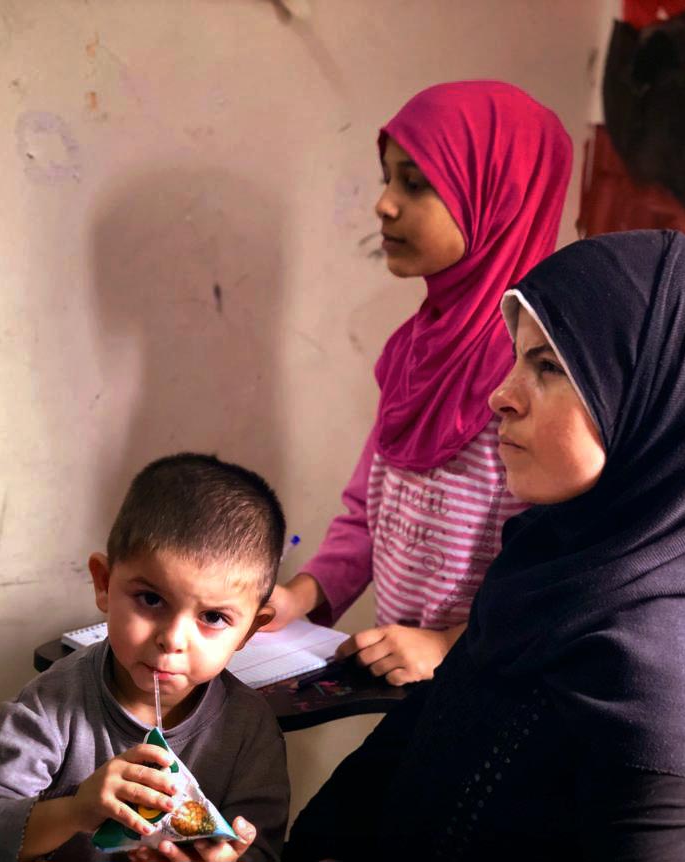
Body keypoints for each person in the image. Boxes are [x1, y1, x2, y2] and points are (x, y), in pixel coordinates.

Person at [283, 230, 685, 860]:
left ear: (656, 403)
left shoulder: (655, 675)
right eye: (517, 359)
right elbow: (424, 746)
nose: (500, 396)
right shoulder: (555, 564)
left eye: (549, 367)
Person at [265, 80, 572, 685]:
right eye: (386, 178)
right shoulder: (415, 350)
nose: (383, 203)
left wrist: (451, 643)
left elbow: (559, 558)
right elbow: (369, 510)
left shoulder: (543, 371)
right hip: (412, 685)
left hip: (501, 686)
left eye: (415, 182)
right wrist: (300, 596)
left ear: (498, 197)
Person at [0, 454, 291, 862]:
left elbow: (264, 849)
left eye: (213, 617)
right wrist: (77, 810)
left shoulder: (249, 728)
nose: (172, 640)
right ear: (104, 584)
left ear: (250, 630)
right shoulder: (53, 705)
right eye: (151, 599)